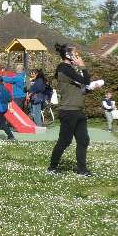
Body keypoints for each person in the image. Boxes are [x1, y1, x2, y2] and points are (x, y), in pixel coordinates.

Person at [47, 44, 99, 176]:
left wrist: (88, 89)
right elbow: (86, 80)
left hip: (77, 110)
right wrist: (82, 66)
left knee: (83, 140)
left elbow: (79, 87)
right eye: (75, 54)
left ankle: (82, 170)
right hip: (69, 111)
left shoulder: (69, 70)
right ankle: (52, 167)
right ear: (68, 55)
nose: (78, 56)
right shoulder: (64, 69)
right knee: (64, 141)